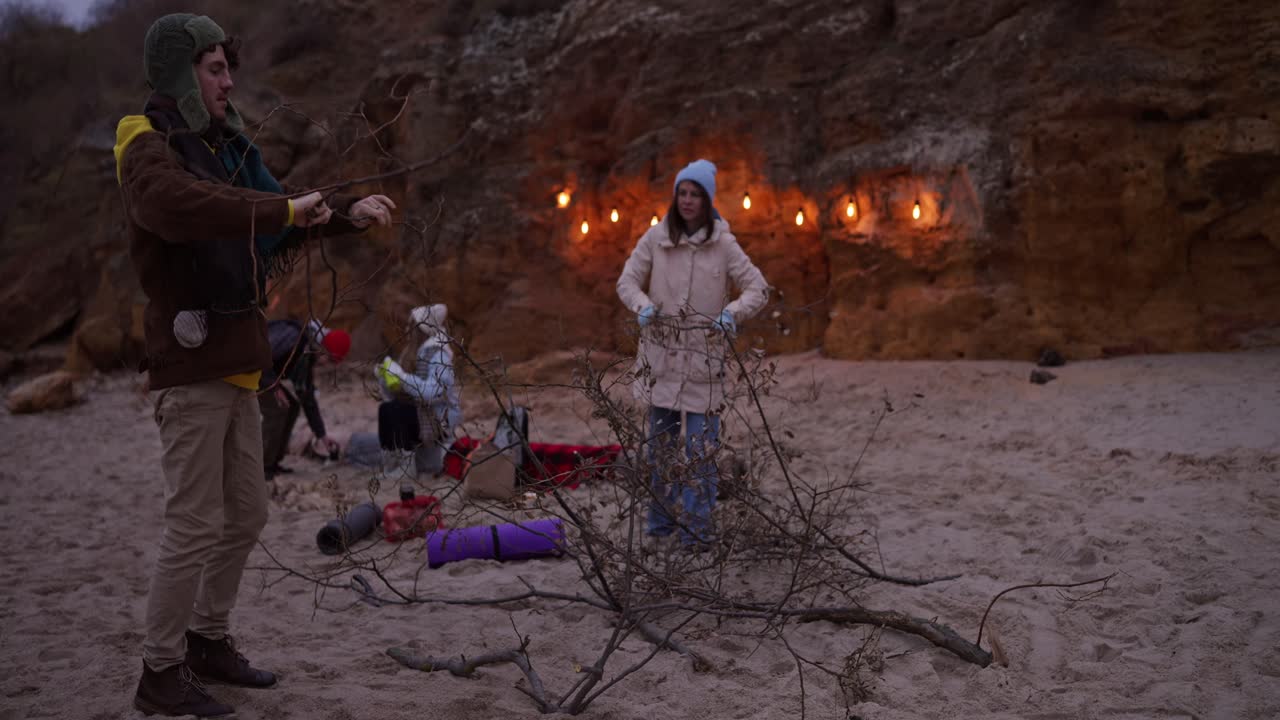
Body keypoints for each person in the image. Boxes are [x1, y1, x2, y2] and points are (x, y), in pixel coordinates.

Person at [116, 13, 395, 717]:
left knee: (246, 512)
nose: (227, 79)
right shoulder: (143, 142)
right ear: (181, 72)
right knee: (194, 522)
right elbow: (179, 206)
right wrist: (280, 209)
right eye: (212, 68)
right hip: (189, 363)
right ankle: (160, 671)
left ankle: (208, 641)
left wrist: (343, 212)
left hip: (239, 360)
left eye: (226, 65)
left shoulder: (228, 147)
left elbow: (283, 203)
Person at [616, 159, 769, 549]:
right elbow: (627, 281)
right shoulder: (656, 238)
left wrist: (730, 314)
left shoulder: (724, 243)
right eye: (682, 193)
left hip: (704, 362)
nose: (687, 200)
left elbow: (758, 288)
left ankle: (696, 534)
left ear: (706, 200)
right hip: (662, 358)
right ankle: (659, 526)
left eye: (695, 194)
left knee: (700, 452)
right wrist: (643, 306)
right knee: (660, 450)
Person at [375, 304, 463, 491]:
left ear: (422, 328)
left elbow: (433, 393)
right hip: (420, 414)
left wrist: (403, 377)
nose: (408, 330)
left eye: (412, 325)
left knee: (397, 411)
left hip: (438, 419)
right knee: (387, 409)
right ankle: (394, 464)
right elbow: (394, 394)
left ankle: (405, 468)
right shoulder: (412, 352)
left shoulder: (439, 354)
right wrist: (385, 378)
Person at [260, 318, 351, 478]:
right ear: (323, 348)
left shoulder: (306, 355)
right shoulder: (293, 338)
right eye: (329, 358)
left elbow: (307, 398)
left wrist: (322, 436)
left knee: (292, 406)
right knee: (278, 408)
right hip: (251, 371)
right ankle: (262, 465)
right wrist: (274, 387)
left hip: (267, 377)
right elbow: (261, 355)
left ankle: (273, 461)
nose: (326, 364)